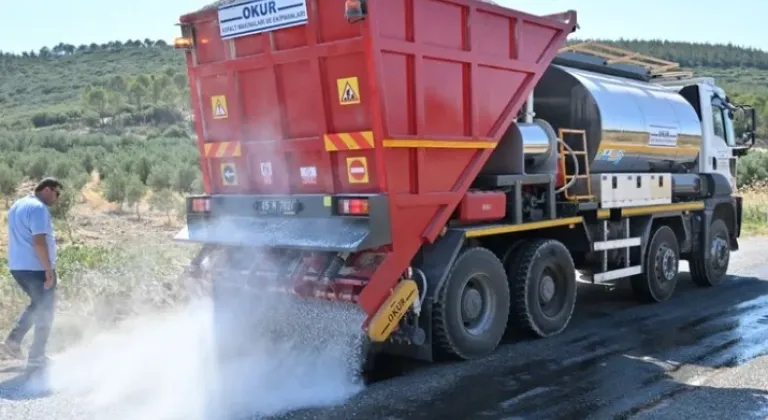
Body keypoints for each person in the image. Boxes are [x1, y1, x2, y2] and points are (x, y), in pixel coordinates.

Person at [1, 177, 62, 370]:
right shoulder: (38, 208)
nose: (57, 199)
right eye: (57, 193)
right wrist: (48, 269)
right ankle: (36, 356)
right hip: (35, 267)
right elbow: (38, 241)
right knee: (46, 308)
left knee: (38, 304)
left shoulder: (18, 205)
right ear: (47, 190)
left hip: (18, 266)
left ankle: (13, 342)